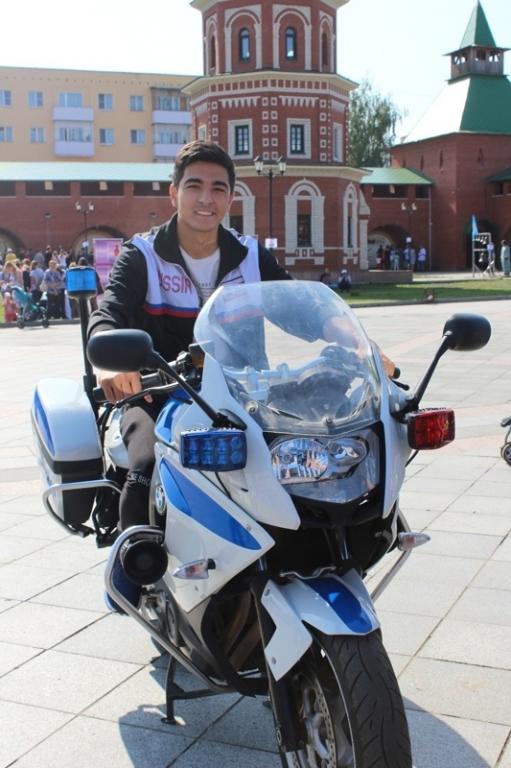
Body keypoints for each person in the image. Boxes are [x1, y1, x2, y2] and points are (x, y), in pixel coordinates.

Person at [87, 140, 396, 609]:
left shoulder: (249, 256)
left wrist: (359, 345)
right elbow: (108, 313)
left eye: (218, 188)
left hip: (243, 395)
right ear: (174, 193)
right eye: (194, 186)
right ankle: (132, 567)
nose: (205, 198)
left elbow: (301, 307)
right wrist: (111, 362)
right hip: (159, 394)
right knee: (146, 461)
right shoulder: (143, 255)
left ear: (231, 197)